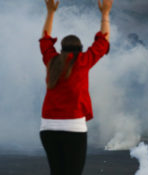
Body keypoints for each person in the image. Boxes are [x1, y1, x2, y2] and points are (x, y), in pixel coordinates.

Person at [39, 0, 113, 175]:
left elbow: (45, 39)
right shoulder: (83, 61)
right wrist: (105, 14)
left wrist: (50, 12)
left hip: (48, 126)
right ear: (80, 49)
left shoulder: (52, 60)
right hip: (73, 126)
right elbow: (103, 42)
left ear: (61, 48)